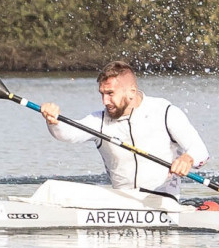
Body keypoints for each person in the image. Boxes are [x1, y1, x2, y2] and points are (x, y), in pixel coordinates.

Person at [39, 61, 209, 199]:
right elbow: (67, 134)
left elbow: (201, 151)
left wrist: (188, 158)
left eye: (110, 93)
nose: (105, 101)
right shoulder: (99, 121)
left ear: (131, 92)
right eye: (102, 94)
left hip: (163, 202)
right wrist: (53, 120)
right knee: (53, 189)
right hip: (120, 202)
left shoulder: (165, 112)